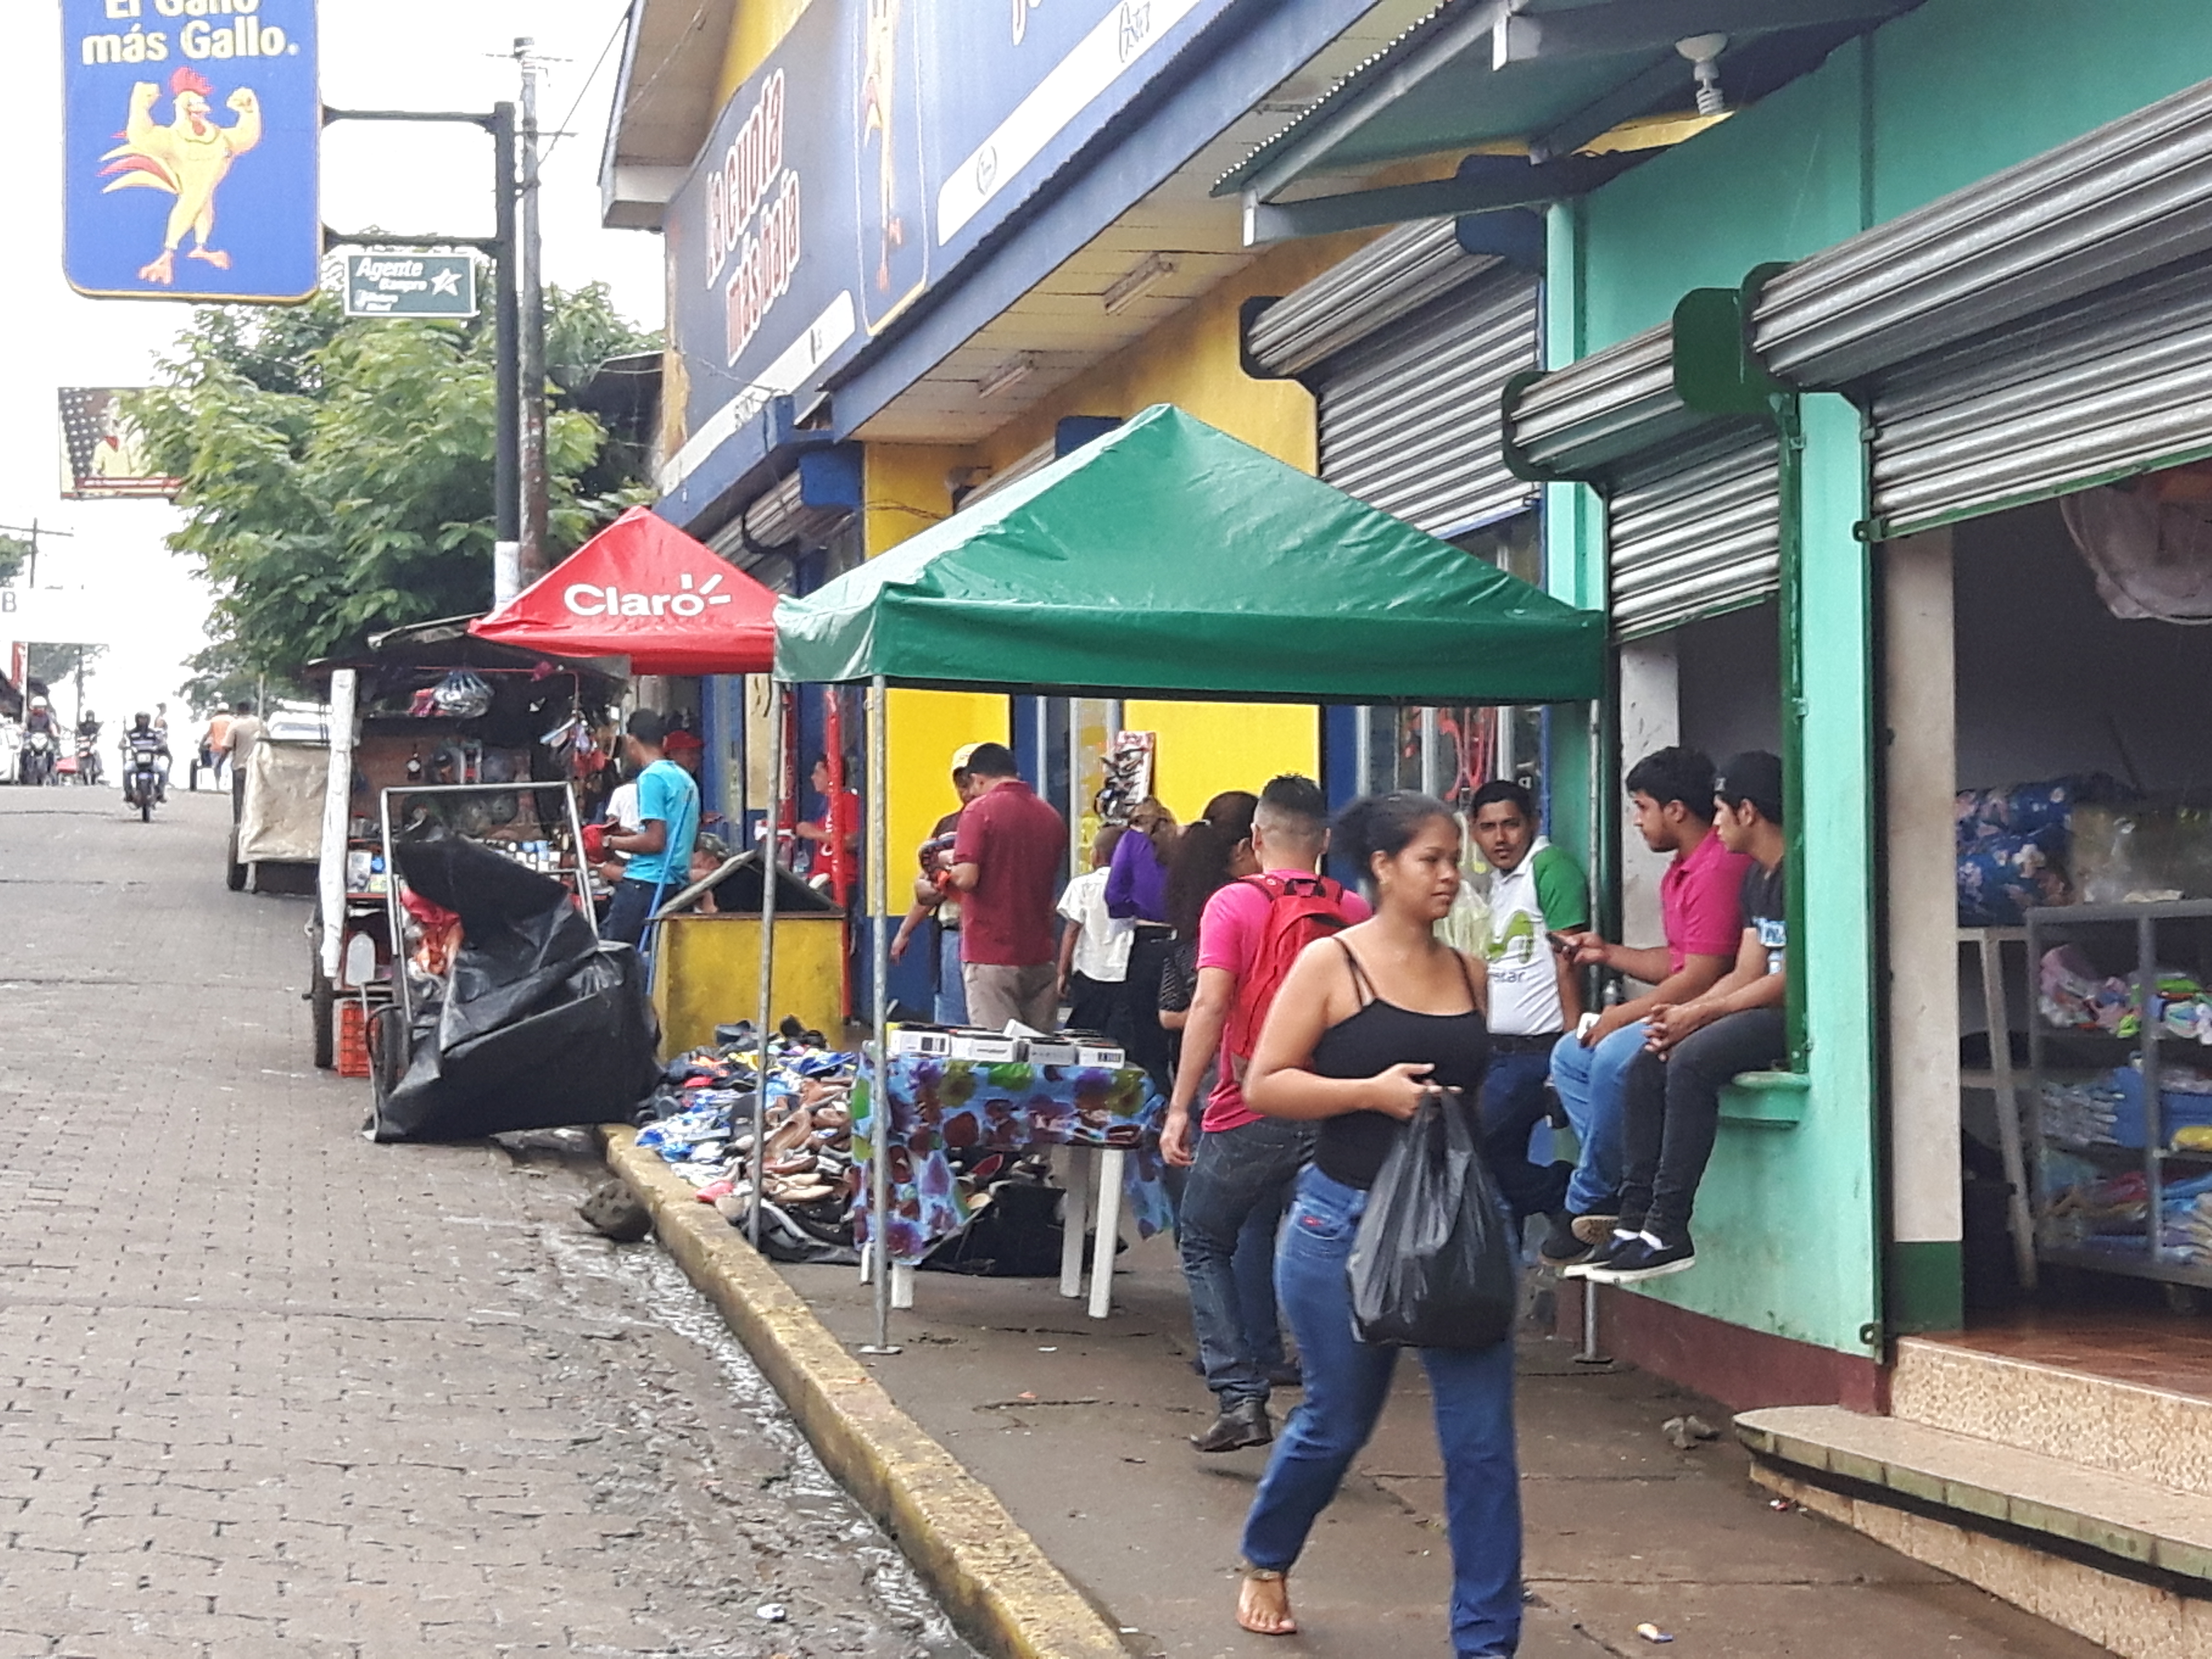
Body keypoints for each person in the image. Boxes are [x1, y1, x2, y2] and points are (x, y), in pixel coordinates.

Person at [1237, 792, 1519, 1655]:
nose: (1451, 874)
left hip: (1460, 1227)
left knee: (1479, 1445)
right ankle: (1266, 1553)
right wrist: (1369, 1091)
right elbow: (1264, 1083)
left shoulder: (1468, 968)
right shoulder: (1331, 965)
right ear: (1383, 867)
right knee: (1336, 1420)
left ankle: (1485, 1639)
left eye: (1454, 858)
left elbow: (1473, 1093)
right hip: (1340, 1221)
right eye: (1431, 859)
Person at [1166, 776, 1368, 1455]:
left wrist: (1178, 1108)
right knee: (1322, 1245)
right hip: (1336, 1105)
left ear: (1257, 840)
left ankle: (1241, 1398)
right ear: (1327, 841)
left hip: (1250, 1104)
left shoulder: (1233, 905)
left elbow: (1210, 1006)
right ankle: (1333, 1397)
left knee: (1202, 1236)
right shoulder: (1356, 912)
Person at [1584, 752, 1789, 1284]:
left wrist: (1703, 1016)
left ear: (1747, 812)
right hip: (1752, 1002)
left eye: (1721, 811)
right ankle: (1633, 1224)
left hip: (1789, 1015)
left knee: (1691, 1062)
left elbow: (1790, 980)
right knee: (1650, 1055)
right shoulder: (1756, 880)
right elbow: (1747, 969)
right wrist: (1685, 1014)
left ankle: (1669, 1227)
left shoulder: (1799, 874)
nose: (1714, 821)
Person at [1543, 746, 1748, 1269]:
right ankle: (1611, 1184)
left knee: (1613, 1057)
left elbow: (1704, 975)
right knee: (1570, 1056)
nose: (1636, 820)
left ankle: (1587, 1200)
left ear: (1676, 809)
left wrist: (1622, 1016)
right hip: (1684, 1001)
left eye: (1642, 807)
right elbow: (1677, 961)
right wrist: (1606, 953)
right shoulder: (1679, 870)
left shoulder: (1718, 868)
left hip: (1715, 1009)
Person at [1469, 779, 1587, 1224]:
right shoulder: (1500, 883)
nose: (1500, 838)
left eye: (1511, 825)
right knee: (1491, 1171)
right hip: (1496, 1052)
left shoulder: (1549, 867)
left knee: (1469, 1148)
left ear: (1534, 823)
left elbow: (1571, 959)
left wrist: (1570, 1048)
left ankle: (1563, 1191)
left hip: (1537, 1051)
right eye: (1488, 827)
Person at [946, 742, 1066, 1031]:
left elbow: (967, 879)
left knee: (998, 1057)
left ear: (978, 779)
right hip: (1040, 953)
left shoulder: (979, 811)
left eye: (972, 786)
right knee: (1039, 1058)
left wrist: (946, 863)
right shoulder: (1050, 816)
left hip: (990, 953)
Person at [890, 744, 986, 1025]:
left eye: (971, 780)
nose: (966, 789)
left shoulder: (1000, 823)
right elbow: (926, 884)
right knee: (953, 1019)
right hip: (953, 932)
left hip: (991, 936)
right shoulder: (948, 826)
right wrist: (905, 931)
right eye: (960, 781)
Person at [593, 709, 701, 949]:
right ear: (663, 742)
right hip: (676, 887)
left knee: (615, 962)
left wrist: (609, 843)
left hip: (645, 887)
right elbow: (676, 839)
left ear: (631, 741)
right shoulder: (684, 779)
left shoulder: (651, 778)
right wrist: (625, 836)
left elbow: (655, 842)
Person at [1107, 796, 1179, 1088]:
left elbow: (1114, 895)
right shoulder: (1180, 841)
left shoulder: (1131, 842)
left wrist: (1132, 909)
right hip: (1182, 941)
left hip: (1148, 939)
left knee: (1145, 1032)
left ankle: (1156, 1102)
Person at [1057, 825, 1134, 1042]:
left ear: (1096, 855)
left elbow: (1072, 931)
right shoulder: (1135, 887)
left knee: (1084, 1034)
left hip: (1090, 972)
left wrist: (1063, 971)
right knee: (1119, 1037)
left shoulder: (1082, 885)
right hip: (1125, 972)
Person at [796, 755, 862, 908]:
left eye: (818, 773)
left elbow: (852, 841)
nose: (813, 778)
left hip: (838, 882)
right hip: (821, 879)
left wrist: (814, 833)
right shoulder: (826, 805)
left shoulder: (849, 800)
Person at [222, 698, 265, 821]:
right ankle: (254, 823)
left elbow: (227, 747)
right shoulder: (261, 723)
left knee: (239, 799)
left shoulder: (235, 725)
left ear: (239, 710)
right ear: (250, 709)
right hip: (259, 767)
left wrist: (220, 763)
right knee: (256, 798)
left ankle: (239, 825)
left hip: (241, 767)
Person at [119, 712, 169, 804]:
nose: (143, 721)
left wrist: (161, 746)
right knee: (126, 771)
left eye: (145, 719)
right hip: (136, 761)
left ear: (148, 720)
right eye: (141, 719)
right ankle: (129, 793)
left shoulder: (154, 733)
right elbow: (123, 742)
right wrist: (123, 745)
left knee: (163, 771)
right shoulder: (131, 733)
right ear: (137, 720)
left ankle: (160, 792)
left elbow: (162, 741)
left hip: (152, 761)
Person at [202, 706, 233, 788]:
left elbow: (208, 733)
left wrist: (202, 743)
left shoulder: (214, 720)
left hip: (216, 747)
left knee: (216, 766)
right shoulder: (232, 720)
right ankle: (227, 783)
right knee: (228, 764)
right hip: (228, 747)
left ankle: (218, 784)